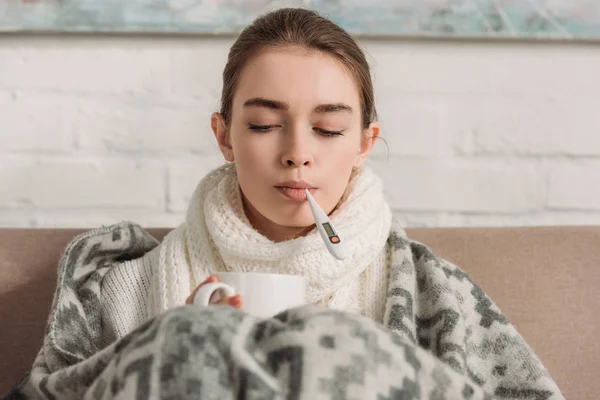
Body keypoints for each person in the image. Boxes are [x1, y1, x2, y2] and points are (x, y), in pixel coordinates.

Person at [10, 7, 564, 400]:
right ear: (225, 135)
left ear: (364, 144)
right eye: (265, 124)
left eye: (327, 129)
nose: (298, 153)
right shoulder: (116, 292)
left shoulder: (434, 295)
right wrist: (188, 345)